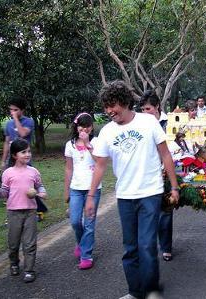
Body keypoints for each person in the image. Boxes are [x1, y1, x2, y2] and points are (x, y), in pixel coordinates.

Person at [84, 80, 179, 299]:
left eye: (113, 105)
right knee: (130, 248)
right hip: (125, 195)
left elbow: (165, 154)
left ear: (125, 102)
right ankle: (135, 292)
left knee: (146, 246)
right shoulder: (107, 132)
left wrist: (174, 186)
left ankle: (152, 291)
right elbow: (99, 165)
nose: (109, 111)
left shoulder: (148, 122)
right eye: (106, 106)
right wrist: (90, 196)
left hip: (150, 193)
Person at [0, 138, 47, 283]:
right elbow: (5, 193)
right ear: (14, 155)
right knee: (13, 244)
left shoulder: (34, 172)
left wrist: (42, 193)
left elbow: (40, 186)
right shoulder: (8, 173)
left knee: (30, 243)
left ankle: (29, 270)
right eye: (23, 152)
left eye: (29, 151)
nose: (27, 154)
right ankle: (14, 263)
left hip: (30, 212)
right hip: (13, 213)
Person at [139, 90, 174, 262]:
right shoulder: (140, 124)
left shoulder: (170, 122)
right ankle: (149, 246)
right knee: (149, 212)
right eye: (143, 110)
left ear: (157, 106)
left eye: (148, 109)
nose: (145, 113)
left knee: (165, 211)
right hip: (147, 173)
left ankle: (166, 246)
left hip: (166, 171)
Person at [64, 112, 101, 270]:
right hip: (76, 189)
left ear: (92, 128)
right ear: (76, 126)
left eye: (88, 126)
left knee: (89, 223)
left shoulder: (97, 142)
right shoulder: (69, 144)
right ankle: (81, 243)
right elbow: (68, 169)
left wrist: (88, 144)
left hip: (93, 189)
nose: (84, 129)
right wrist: (66, 191)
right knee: (75, 221)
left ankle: (86, 255)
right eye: (81, 126)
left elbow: (99, 161)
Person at [0, 96, 34, 170]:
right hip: (11, 159)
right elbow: (7, 142)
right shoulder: (9, 123)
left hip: (24, 158)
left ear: (22, 110)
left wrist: (15, 118)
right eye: (11, 109)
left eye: (15, 110)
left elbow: (23, 134)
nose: (12, 112)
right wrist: (3, 161)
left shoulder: (29, 121)